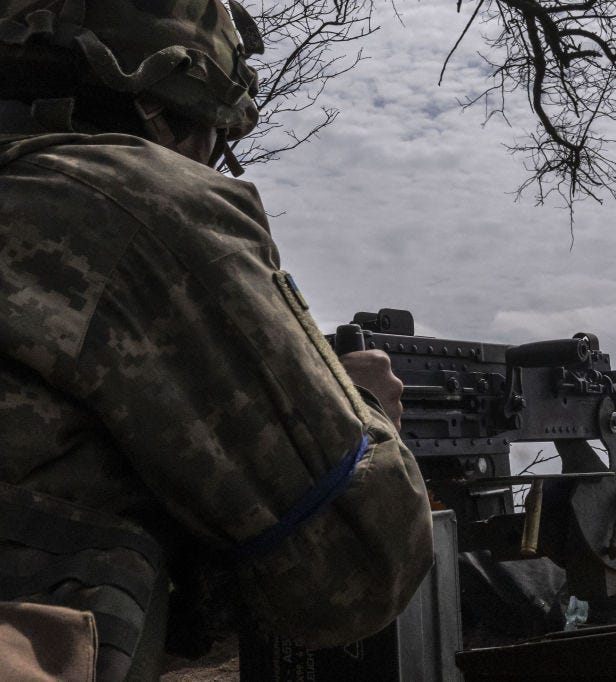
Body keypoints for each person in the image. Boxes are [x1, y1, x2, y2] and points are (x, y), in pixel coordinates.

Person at [0, 0, 434, 678]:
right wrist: (366, 415)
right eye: (215, 139)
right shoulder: (136, 201)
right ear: (163, 111)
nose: (210, 162)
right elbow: (353, 575)